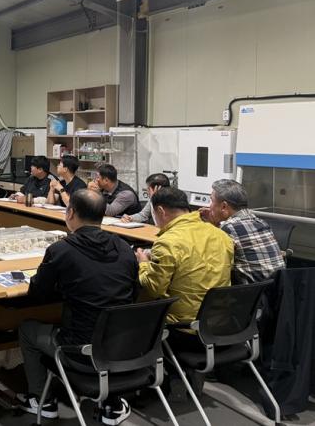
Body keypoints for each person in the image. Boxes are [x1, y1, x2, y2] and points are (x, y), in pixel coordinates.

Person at [17, 189, 138, 424]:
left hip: (80, 350)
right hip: (121, 346)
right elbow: (133, 293)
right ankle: (112, 404)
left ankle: (41, 399)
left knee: (27, 329)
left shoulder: (60, 250)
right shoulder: (125, 248)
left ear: (70, 212)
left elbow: (37, 293)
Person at [136, 187, 234, 330]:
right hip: (219, 322)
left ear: (161, 211)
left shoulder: (167, 242)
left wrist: (143, 263)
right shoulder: (222, 236)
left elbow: (154, 289)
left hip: (184, 326)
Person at [200, 179, 285, 285]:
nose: (209, 206)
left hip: (251, 292)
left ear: (224, 206)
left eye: (211, 200)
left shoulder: (229, 228)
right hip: (279, 289)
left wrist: (211, 225)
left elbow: (212, 263)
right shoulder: (261, 222)